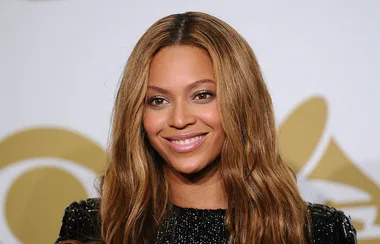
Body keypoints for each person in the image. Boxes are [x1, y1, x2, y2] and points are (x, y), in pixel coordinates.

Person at [55, 12, 357, 244]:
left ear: (241, 101)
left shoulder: (318, 231)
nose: (179, 119)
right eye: (158, 100)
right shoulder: (94, 226)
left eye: (202, 95)